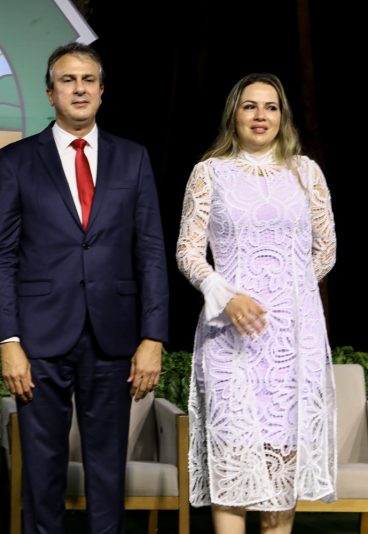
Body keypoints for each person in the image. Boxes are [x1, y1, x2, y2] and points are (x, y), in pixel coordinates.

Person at [0, 42, 170, 534]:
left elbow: (150, 251)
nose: (79, 88)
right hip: (38, 339)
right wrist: (9, 341)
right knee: (41, 478)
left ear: (102, 92)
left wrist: (152, 337)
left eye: (88, 80)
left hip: (114, 338)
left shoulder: (133, 159)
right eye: (68, 80)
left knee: (108, 475)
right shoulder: (18, 160)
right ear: (50, 93)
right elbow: (1, 257)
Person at [176, 73, 337, 534]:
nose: (260, 115)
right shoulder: (210, 172)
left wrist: (289, 295)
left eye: (270, 107)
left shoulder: (306, 172)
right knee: (234, 466)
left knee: (279, 476)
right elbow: (188, 250)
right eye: (250, 106)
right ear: (235, 114)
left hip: (291, 341)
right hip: (230, 339)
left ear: (282, 117)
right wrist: (225, 296)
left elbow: (325, 248)